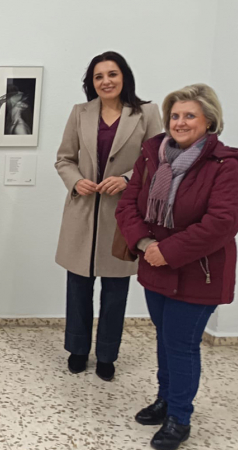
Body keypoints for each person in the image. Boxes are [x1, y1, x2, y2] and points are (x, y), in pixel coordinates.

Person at [116, 84, 238, 450]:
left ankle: (179, 417)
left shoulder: (225, 165)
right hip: (156, 263)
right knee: (164, 336)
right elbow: (128, 205)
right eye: (175, 115)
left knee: (182, 344)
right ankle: (165, 399)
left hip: (198, 271)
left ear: (209, 120)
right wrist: (145, 244)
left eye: (189, 115)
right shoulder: (152, 155)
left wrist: (168, 251)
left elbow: (222, 222)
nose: (180, 122)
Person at [54, 51, 163, 381]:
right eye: (99, 77)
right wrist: (76, 180)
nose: (106, 81)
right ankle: (76, 349)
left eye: (112, 74)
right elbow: (64, 159)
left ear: (124, 76)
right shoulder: (80, 113)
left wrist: (128, 179)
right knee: (78, 288)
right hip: (82, 213)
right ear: (91, 83)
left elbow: (159, 161)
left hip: (123, 215)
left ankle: (107, 356)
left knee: (115, 293)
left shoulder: (146, 113)